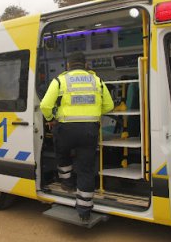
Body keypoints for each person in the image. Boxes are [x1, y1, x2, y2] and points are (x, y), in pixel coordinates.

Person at [40, 52, 114, 222]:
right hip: (89, 129)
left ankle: (67, 183)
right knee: (86, 169)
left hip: (65, 128)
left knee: (62, 153)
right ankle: (84, 211)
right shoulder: (97, 81)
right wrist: (93, 114)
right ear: (85, 64)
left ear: (68, 65)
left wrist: (52, 118)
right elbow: (109, 105)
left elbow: (45, 105)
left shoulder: (60, 81)